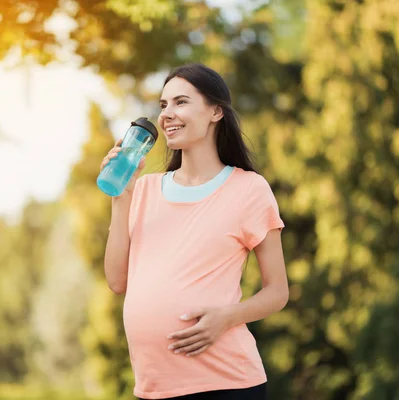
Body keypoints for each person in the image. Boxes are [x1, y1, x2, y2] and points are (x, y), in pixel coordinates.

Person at [99, 63, 289, 400]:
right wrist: (121, 194)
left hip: (226, 384)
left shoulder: (248, 189)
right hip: (153, 388)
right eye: (163, 105)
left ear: (216, 111)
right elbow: (117, 281)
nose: (167, 114)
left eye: (180, 102)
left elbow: (277, 291)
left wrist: (227, 318)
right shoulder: (144, 189)